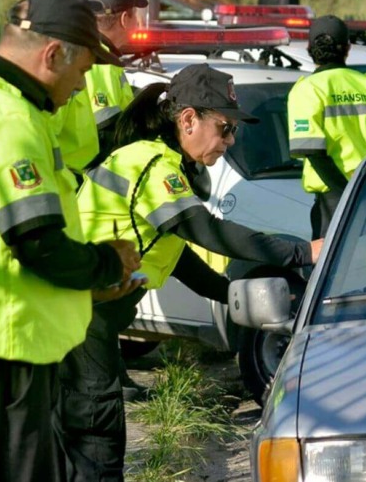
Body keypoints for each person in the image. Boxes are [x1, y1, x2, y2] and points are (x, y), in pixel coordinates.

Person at [0, 0, 142, 482]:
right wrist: (108, 263)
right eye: (83, 71)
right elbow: (36, 241)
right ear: (53, 54)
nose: (82, 87)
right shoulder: (5, 116)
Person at [59, 63, 323, 481]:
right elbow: (204, 230)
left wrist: (233, 294)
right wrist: (301, 252)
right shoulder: (151, 163)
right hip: (78, 314)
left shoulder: (164, 163)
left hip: (92, 315)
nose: (229, 141)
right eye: (224, 128)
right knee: (96, 434)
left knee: (92, 432)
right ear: (188, 120)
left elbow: (175, 256)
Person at [288, 15, 366, 239]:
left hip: (335, 198)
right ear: (347, 48)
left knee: (335, 270)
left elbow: (312, 152)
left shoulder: (307, 90)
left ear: (310, 48)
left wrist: (346, 193)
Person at [52, 0, 147, 174]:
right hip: (83, 177)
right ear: (124, 19)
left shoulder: (100, 57)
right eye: (135, 14)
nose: (138, 22)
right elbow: (109, 130)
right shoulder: (102, 62)